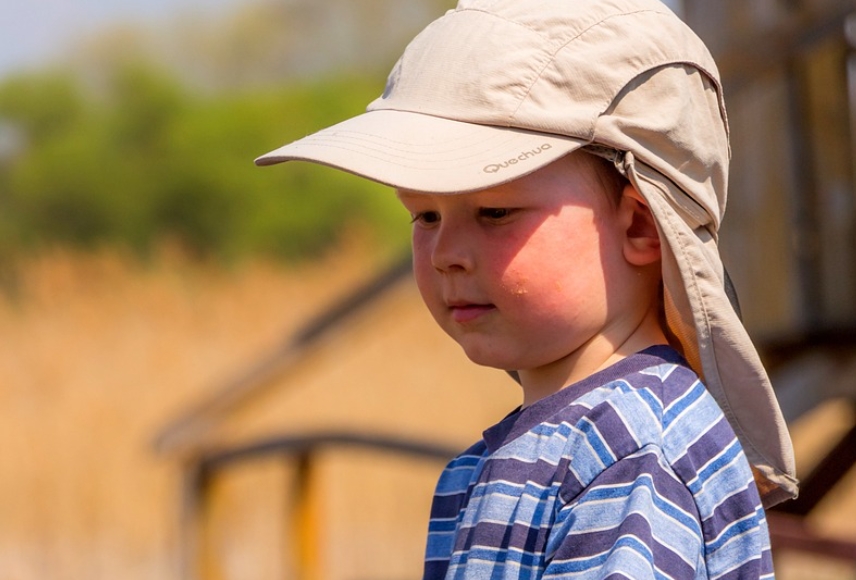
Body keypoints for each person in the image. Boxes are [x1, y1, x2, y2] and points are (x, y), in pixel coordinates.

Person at [255, 0, 799, 577]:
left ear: (640, 224)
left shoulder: (632, 454)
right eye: (424, 217)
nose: (445, 255)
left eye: (493, 211)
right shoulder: (512, 458)